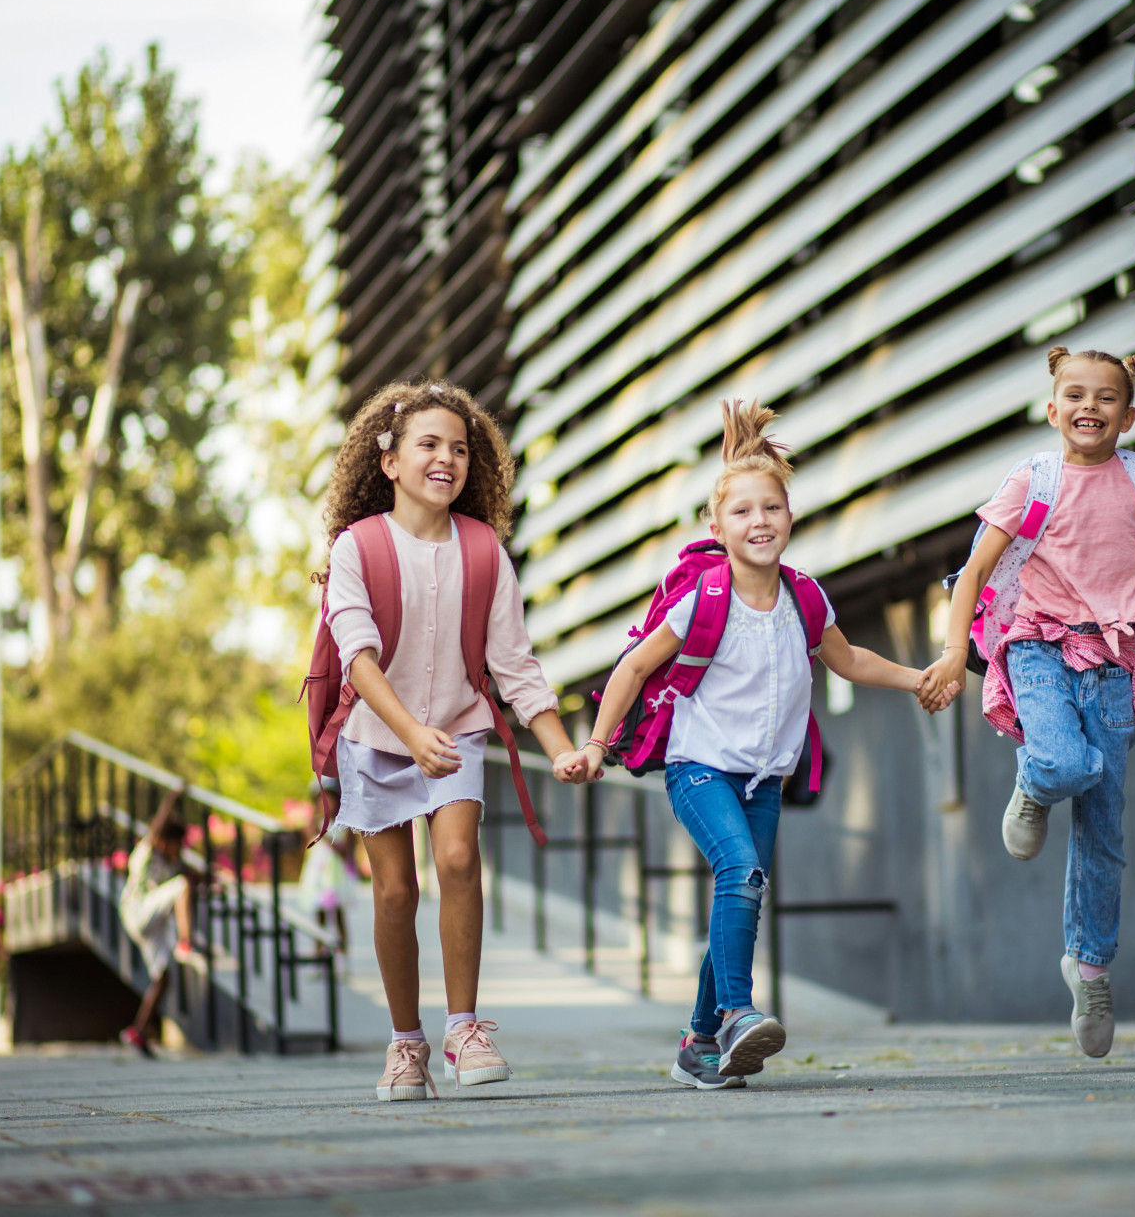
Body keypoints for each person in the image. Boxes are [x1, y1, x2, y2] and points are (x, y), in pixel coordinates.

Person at [574, 400, 942, 1089]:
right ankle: (738, 1014)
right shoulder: (703, 599)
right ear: (717, 529)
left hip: (765, 779)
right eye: (742, 511)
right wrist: (596, 746)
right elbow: (633, 666)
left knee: (739, 892)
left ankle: (697, 1044)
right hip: (698, 769)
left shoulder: (805, 598)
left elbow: (850, 660)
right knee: (740, 874)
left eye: (771, 508)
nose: (759, 521)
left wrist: (916, 678)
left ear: (790, 518)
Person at [918, 344, 1135, 1060]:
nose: (1090, 406)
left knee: (1104, 831)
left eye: (1106, 397)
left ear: (1128, 416)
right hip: (1037, 647)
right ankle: (1036, 785)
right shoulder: (1033, 478)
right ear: (1053, 409)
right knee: (1066, 765)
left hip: (1112, 660)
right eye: (1076, 395)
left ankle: (1089, 969)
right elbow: (975, 570)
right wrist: (952, 652)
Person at [318, 380, 584, 1102]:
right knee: (395, 892)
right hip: (377, 736)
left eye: (461, 449)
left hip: (459, 727)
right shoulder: (357, 548)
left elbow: (515, 664)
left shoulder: (485, 550)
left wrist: (560, 747)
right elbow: (357, 658)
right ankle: (406, 1044)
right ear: (389, 461)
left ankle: (464, 1030)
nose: (447, 459)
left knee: (460, 859)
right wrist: (410, 733)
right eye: (429, 445)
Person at [118, 784, 200, 1057]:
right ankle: (186, 942)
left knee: (163, 978)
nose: (179, 851)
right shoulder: (149, 850)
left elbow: (193, 873)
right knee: (181, 886)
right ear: (164, 841)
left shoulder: (170, 863)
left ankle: (137, 1031)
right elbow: (158, 825)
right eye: (177, 845)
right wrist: (173, 797)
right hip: (138, 910)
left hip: (149, 922)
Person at [302, 780, 355, 954]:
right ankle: (318, 952)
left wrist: (323, 836)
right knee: (320, 916)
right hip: (319, 877)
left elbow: (345, 851)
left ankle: (343, 953)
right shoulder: (315, 824)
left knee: (339, 915)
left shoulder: (343, 825)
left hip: (336, 877)